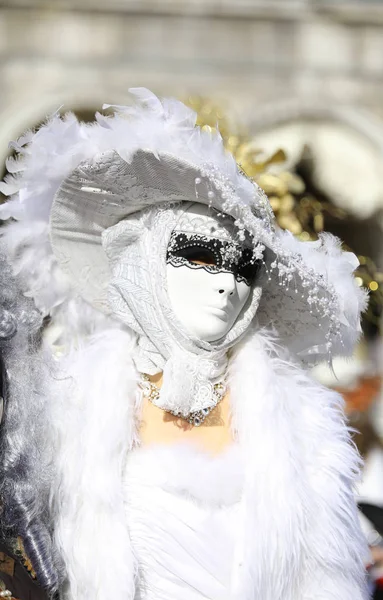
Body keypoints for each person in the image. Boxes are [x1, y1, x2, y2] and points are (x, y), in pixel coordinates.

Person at [0, 88, 370, 599]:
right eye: (197, 254)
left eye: (243, 267)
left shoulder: (304, 428)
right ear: (144, 260)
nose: (226, 283)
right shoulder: (66, 407)